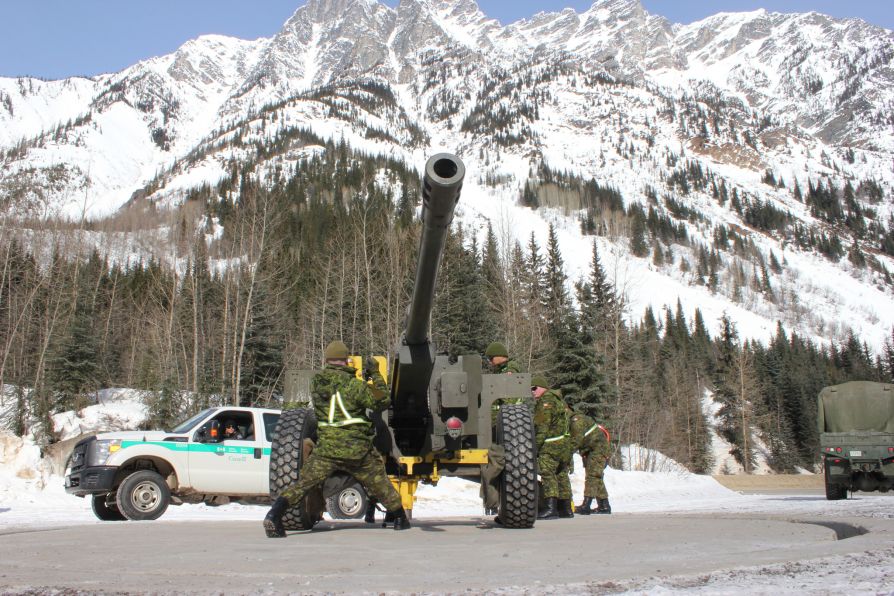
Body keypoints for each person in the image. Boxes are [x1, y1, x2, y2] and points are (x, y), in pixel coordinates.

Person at [263, 340, 410, 537]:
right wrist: (374, 373)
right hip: (357, 450)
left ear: (327, 360)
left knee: (303, 484)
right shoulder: (355, 386)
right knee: (379, 481)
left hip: (327, 450)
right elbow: (382, 400)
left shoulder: (317, 384)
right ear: (346, 360)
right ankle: (400, 517)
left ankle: (274, 514)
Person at [531, 375, 574, 520]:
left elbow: (543, 426)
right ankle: (566, 509)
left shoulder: (546, 401)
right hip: (564, 444)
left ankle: (551, 508)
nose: (532, 392)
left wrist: (535, 447)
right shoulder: (558, 400)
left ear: (542, 388)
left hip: (551, 444)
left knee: (548, 474)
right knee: (561, 475)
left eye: (534, 388)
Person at [570, 410, 612, 514]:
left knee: (592, 477)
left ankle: (586, 505)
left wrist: (566, 452)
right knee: (596, 478)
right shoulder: (575, 419)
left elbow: (576, 441)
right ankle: (604, 506)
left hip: (598, 449)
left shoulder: (577, 420)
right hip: (592, 450)